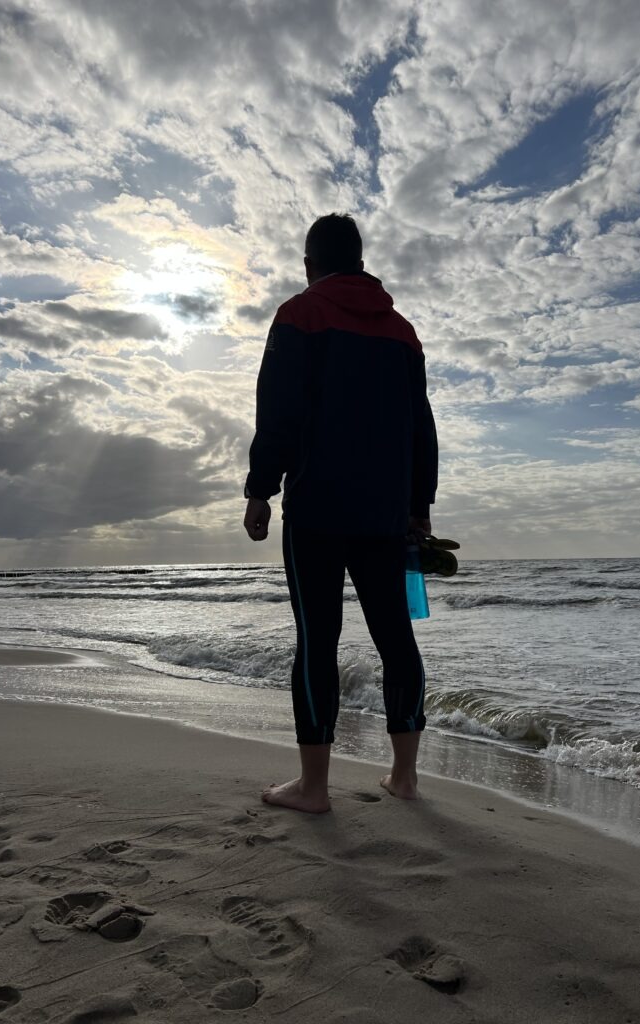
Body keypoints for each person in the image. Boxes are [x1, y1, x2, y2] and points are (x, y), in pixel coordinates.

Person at [243, 212, 438, 813]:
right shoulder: (403, 332)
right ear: (360, 262)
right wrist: (420, 506)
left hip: (317, 507)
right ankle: (404, 777)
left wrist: (260, 489)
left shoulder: (298, 315)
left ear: (309, 264)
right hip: (385, 513)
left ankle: (314, 787)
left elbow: (277, 411)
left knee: (317, 641)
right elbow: (421, 426)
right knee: (396, 637)